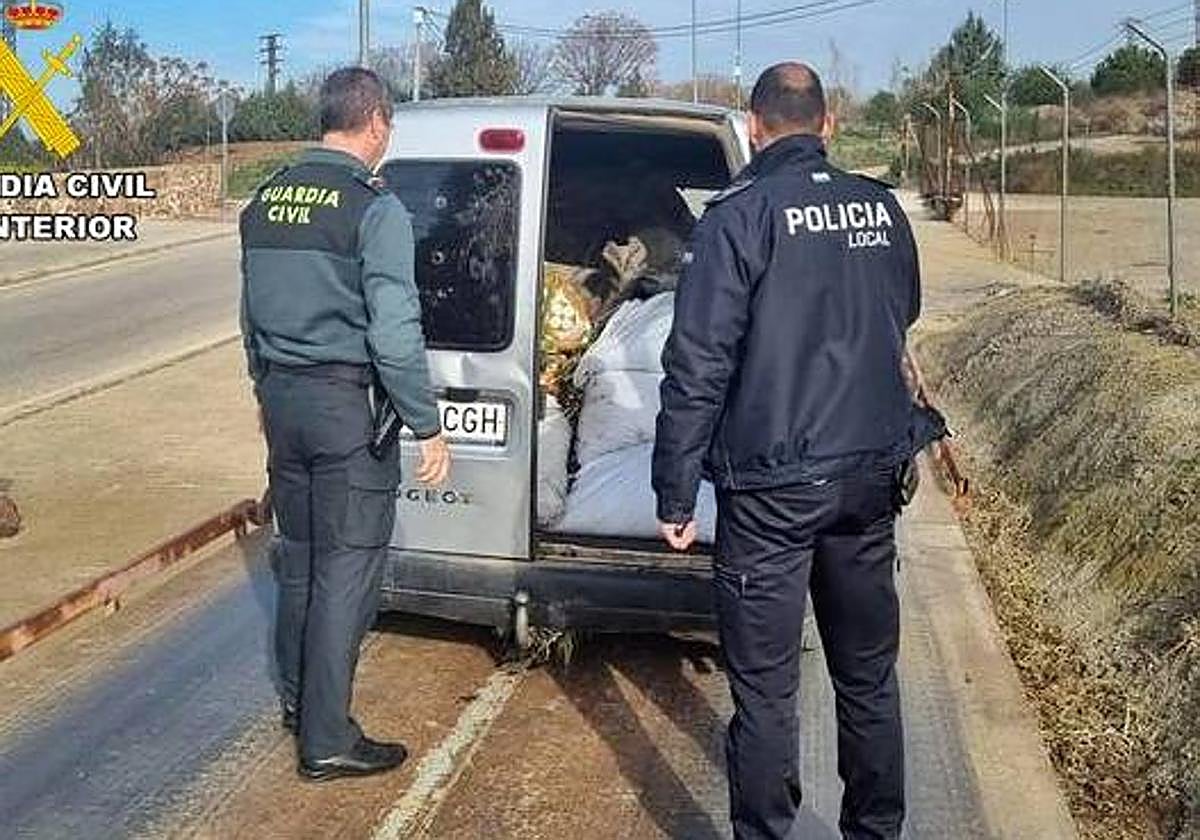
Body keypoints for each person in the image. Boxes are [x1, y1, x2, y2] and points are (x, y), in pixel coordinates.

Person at [653, 62, 924, 840]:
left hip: (772, 489)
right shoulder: (880, 209)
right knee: (868, 677)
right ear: (828, 123)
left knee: (767, 692)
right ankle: (875, 830)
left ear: (753, 125)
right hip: (871, 476)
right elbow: (900, 311)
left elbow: (697, 363)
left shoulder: (738, 215)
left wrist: (675, 491)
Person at [239, 67, 450, 782]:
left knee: (298, 563)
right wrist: (427, 423)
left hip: (284, 402)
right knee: (346, 574)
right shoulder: (373, 207)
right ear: (378, 123)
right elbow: (395, 329)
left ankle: (302, 704)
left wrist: (264, 393)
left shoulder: (266, 198)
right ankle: (327, 740)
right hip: (345, 410)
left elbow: (250, 316)